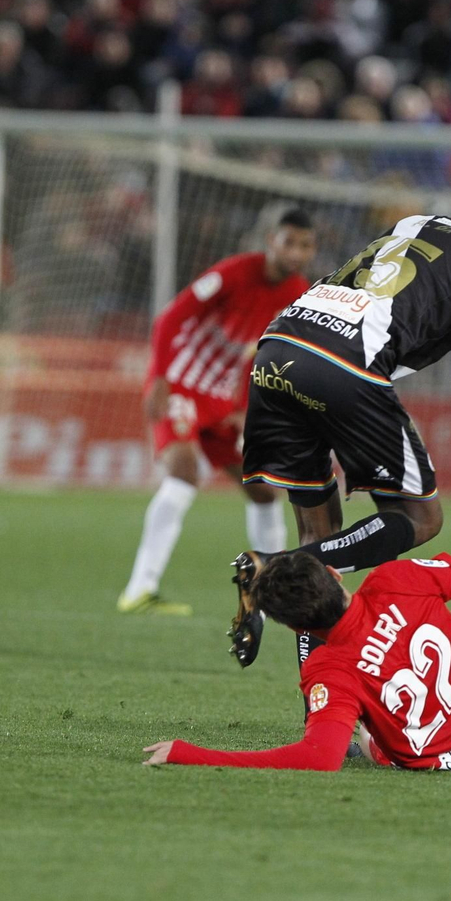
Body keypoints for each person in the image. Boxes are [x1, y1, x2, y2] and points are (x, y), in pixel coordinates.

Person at [228, 187, 451, 668]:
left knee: (319, 539)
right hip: (346, 364)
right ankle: (270, 568)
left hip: (279, 347)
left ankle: (322, 705)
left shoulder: (418, 223)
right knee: (422, 518)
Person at [143, 523, 451, 774]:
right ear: (336, 574)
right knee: (437, 649)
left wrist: (190, 752)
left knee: (372, 738)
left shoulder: (325, 667)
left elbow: (319, 757)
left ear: (294, 626)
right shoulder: (395, 578)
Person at [118, 209, 317, 615]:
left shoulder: (299, 294)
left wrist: (245, 407)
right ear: (270, 241)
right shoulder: (234, 272)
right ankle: (139, 589)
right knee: (185, 471)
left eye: (305, 245)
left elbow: (264, 355)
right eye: (289, 242)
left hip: (221, 401)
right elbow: (170, 318)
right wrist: (158, 377)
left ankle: (273, 592)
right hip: (181, 384)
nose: (296, 252)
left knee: (263, 490)